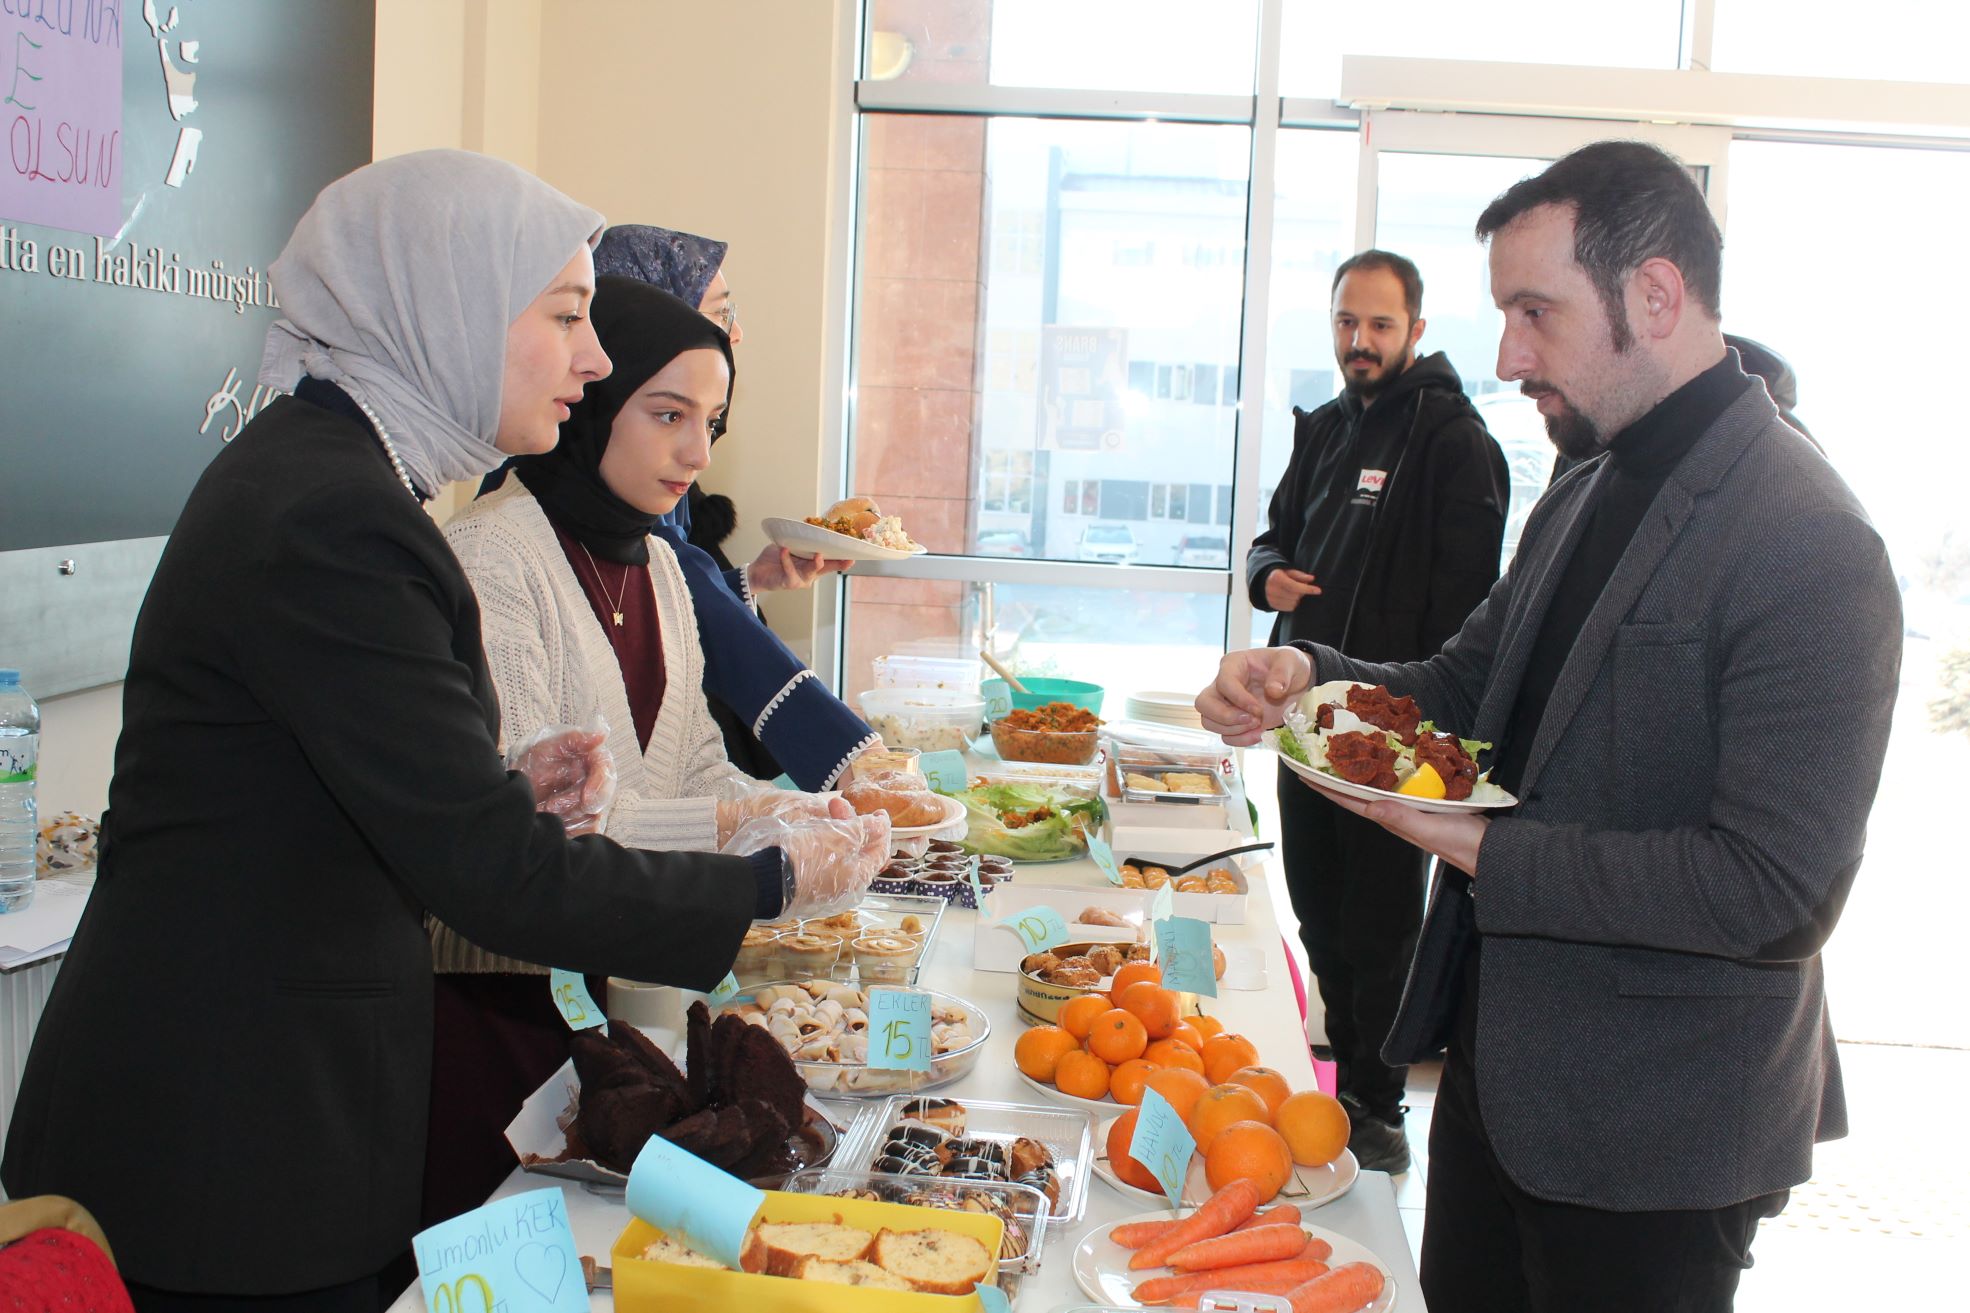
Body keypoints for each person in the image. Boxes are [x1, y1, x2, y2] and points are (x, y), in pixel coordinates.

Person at [0, 150, 850, 1310]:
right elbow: (494, 879)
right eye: (562, 316)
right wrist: (764, 880)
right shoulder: (336, 515)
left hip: (261, 1108)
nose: (592, 358)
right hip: (229, 1137)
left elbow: (331, 791)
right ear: (443, 308)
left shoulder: (339, 482)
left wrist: (496, 781)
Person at [1199, 140, 1900, 1312]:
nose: (1506, 355)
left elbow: (1773, 890)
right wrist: (1307, 672)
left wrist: (1476, 844)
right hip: (1497, 1076)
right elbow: (1471, 686)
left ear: (1656, 296)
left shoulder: (1809, 539)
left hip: (1656, 1132)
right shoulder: (1585, 478)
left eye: (1535, 312)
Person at [425, 276, 889, 1223]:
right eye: (668, 413)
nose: (695, 451)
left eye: (712, 421)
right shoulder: (492, 556)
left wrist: (795, 811)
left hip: (599, 994)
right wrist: (744, 827)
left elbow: (687, 766)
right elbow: (544, 830)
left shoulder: (665, 567)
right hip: (490, 1002)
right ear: (594, 399)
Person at [1246, 248, 1508, 1172]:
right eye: (1347, 324)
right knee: (1318, 909)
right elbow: (1272, 533)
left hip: (1391, 743)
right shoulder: (1321, 430)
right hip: (1302, 726)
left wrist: (1418, 724)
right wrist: (1264, 574)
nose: (1361, 341)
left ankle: (1379, 1102)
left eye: (1381, 325)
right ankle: (1348, 1074)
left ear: (1417, 331)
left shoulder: (1455, 441)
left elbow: (1477, 614)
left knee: (1382, 923)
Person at [588, 223, 879, 787]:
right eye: (721, 313)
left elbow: (670, 596)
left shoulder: (635, 467)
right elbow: (682, 586)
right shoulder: (530, 512)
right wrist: (851, 755)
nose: (737, 332)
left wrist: (752, 580)